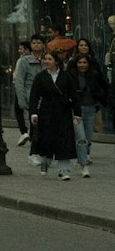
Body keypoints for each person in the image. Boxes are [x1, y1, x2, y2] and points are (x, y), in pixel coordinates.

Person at [28, 50, 77, 179]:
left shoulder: (66, 76)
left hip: (63, 112)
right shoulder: (41, 77)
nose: (47, 62)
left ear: (56, 61)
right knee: (47, 139)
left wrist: (77, 114)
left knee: (64, 140)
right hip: (46, 113)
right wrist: (33, 113)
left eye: (49, 59)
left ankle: (64, 170)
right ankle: (45, 161)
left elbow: (74, 95)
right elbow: (34, 96)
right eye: (45, 59)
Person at [68, 52, 106, 177]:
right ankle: (84, 165)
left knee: (88, 138)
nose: (82, 65)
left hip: (90, 109)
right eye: (80, 62)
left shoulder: (93, 75)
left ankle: (81, 157)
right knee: (81, 137)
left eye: (85, 62)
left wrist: (100, 101)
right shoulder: (71, 75)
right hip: (77, 110)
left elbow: (102, 88)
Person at [13, 34, 46, 157]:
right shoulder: (24, 61)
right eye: (34, 42)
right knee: (35, 125)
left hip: (46, 98)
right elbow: (19, 81)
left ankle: (39, 150)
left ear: (43, 45)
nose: (36, 44)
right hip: (31, 97)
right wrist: (22, 100)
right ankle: (36, 152)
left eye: (39, 42)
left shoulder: (47, 60)